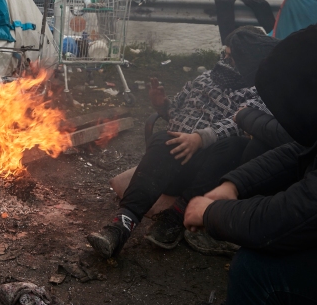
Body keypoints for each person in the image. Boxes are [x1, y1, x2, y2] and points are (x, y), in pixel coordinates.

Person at [184, 24, 317, 304]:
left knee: (256, 269)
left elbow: (290, 218)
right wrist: (234, 184)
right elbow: (296, 151)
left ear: (309, 97)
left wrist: (212, 213)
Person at [87, 27, 279, 259]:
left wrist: (200, 138)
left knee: (235, 145)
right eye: (224, 54)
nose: (225, 61)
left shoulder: (258, 90)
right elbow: (175, 111)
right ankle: (120, 227)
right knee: (162, 138)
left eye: (232, 57)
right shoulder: (204, 79)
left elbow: (239, 123)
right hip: (172, 165)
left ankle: (174, 218)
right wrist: (161, 105)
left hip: (211, 173)